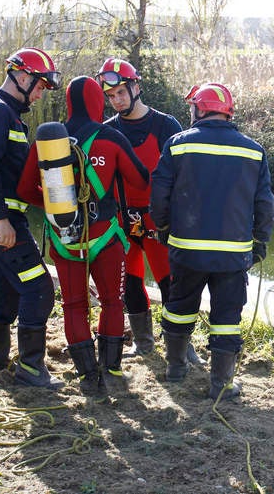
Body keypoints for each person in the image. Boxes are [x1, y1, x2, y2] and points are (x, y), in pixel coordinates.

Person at [18, 76, 149, 397]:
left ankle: (88, 376)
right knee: (112, 302)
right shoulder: (112, 137)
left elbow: (23, 191)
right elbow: (142, 181)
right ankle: (112, 368)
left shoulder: (47, 142)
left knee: (75, 305)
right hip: (105, 236)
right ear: (96, 101)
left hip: (65, 237)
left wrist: (55, 206)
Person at [150, 83, 274, 400]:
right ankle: (221, 384)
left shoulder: (177, 145)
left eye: (193, 107)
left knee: (179, 307)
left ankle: (175, 368)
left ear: (200, 109)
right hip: (233, 255)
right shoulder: (253, 150)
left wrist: (163, 227)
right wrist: (259, 241)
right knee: (227, 318)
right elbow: (264, 204)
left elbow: (159, 196)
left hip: (187, 250)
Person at [0, 47, 62, 389]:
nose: (40, 92)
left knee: (5, 288)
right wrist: (1, 219)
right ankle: (32, 370)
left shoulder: (9, 114)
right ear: (22, 76)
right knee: (39, 287)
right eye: (40, 85)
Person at [95, 58, 182, 356]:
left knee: (171, 284)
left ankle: (180, 346)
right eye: (110, 96)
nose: (116, 100)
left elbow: (180, 179)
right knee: (130, 285)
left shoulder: (166, 125)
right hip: (122, 222)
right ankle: (144, 344)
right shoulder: (106, 131)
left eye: (121, 92)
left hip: (158, 221)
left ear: (136, 87)